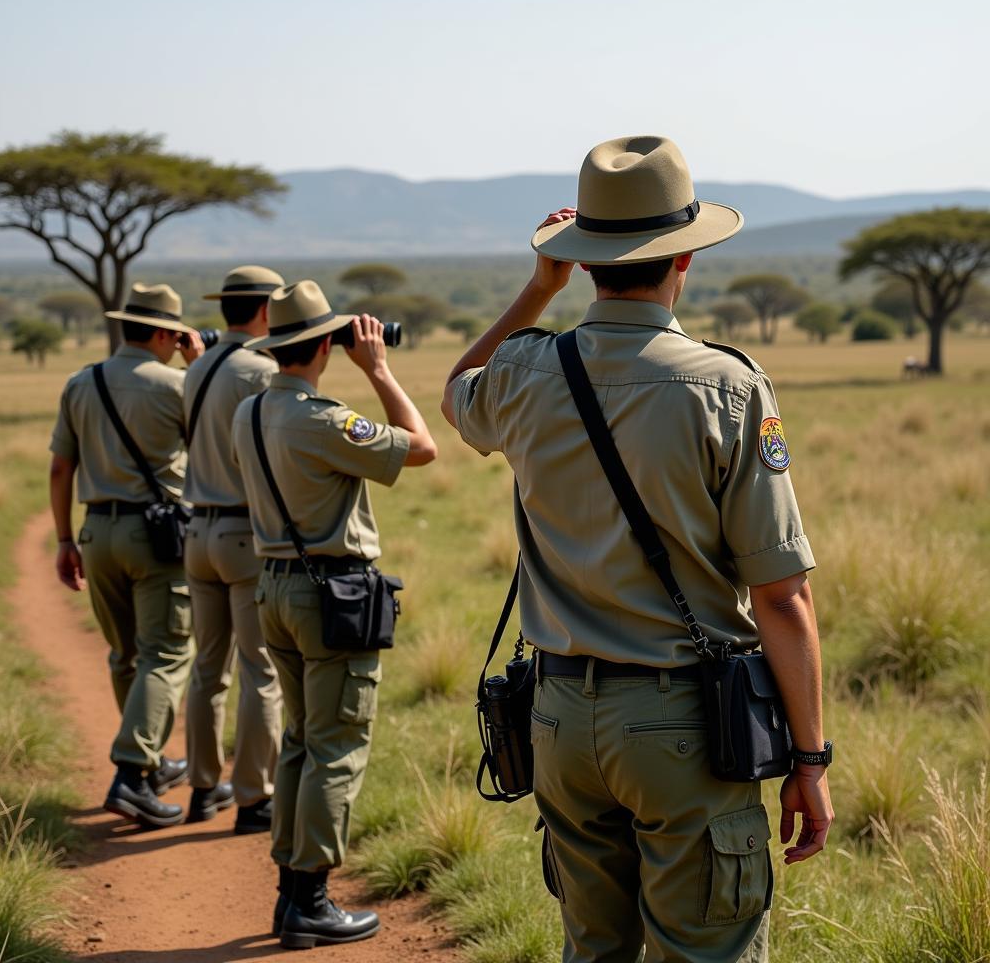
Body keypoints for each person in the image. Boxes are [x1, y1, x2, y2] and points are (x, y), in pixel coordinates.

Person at [442, 136, 833, 963]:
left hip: (557, 720)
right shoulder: (727, 388)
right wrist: (809, 757)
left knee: (595, 949)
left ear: (583, 264)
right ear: (683, 255)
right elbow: (782, 597)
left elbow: (455, 395)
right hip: (683, 723)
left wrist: (533, 292)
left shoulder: (523, 371)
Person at [231, 280, 437, 949]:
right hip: (332, 596)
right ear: (325, 344)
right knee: (338, 744)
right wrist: (378, 369)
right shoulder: (320, 418)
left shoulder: (251, 412)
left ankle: (291, 892)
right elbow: (421, 444)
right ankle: (311, 900)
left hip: (274, 588)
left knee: (300, 739)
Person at [49, 283, 204, 828]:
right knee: (165, 652)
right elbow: (211, 448)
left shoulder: (80, 382)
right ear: (164, 333)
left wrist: (65, 539)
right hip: (158, 535)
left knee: (125, 655)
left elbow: (59, 469)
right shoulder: (178, 385)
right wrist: (199, 368)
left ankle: (153, 760)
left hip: (97, 533)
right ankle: (133, 774)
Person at [183, 266, 285, 832]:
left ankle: (201, 789)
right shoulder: (261, 370)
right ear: (267, 311)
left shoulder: (196, 366)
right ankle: (253, 796)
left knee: (206, 667)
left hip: (196, 531)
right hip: (247, 535)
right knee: (259, 671)